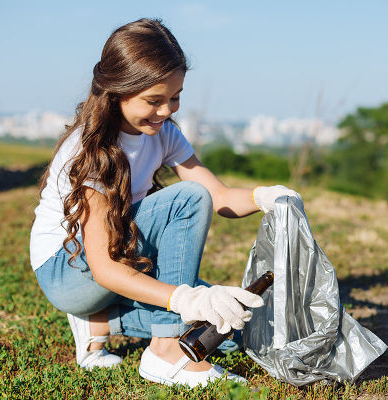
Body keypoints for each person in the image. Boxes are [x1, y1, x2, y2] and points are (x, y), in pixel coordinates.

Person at [29, 18, 299, 388]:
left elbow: (219, 197)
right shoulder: (93, 152)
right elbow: (104, 267)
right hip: (67, 270)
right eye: (154, 100)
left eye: (175, 97)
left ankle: (102, 319)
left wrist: (265, 196)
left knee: (229, 325)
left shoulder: (163, 133)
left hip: (112, 258)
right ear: (117, 91)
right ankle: (166, 352)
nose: (167, 110)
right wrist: (184, 298)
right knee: (186, 200)